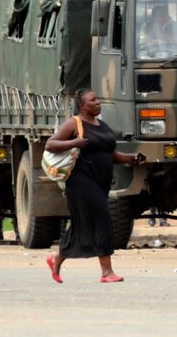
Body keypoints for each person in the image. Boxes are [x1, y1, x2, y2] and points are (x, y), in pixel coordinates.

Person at [44, 89, 145, 283]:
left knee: (83, 223)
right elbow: (50, 144)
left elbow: (110, 154)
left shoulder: (102, 125)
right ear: (82, 105)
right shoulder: (74, 123)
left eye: (98, 99)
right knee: (103, 218)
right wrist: (75, 142)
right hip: (80, 180)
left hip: (100, 182)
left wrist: (132, 159)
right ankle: (107, 272)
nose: (98, 103)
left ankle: (56, 259)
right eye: (93, 100)